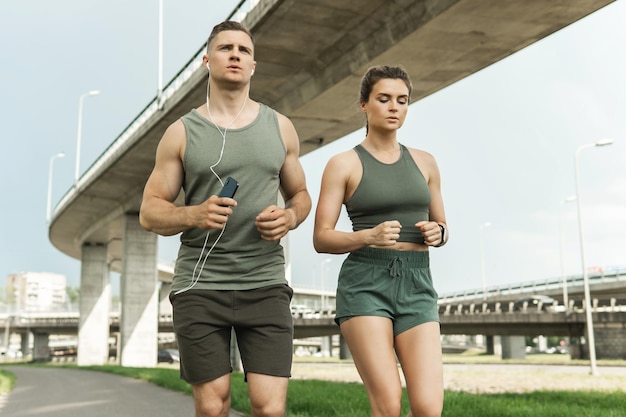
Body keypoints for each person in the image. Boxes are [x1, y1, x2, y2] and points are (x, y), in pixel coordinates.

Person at [139, 21, 311, 417]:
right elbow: (149, 212)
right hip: (201, 286)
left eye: (243, 50)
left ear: (253, 66)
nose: (235, 55)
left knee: (269, 408)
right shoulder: (181, 132)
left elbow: (301, 196)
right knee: (213, 404)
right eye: (225, 48)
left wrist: (289, 217)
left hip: (265, 283)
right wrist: (194, 213)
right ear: (206, 61)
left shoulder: (280, 127)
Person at [313, 65, 447, 417]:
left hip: (418, 282)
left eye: (402, 101)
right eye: (384, 99)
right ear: (364, 105)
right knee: (387, 404)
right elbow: (321, 237)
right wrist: (366, 236)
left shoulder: (426, 162)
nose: (393, 107)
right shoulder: (343, 164)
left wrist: (440, 233)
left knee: (429, 408)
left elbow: (442, 225)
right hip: (366, 284)